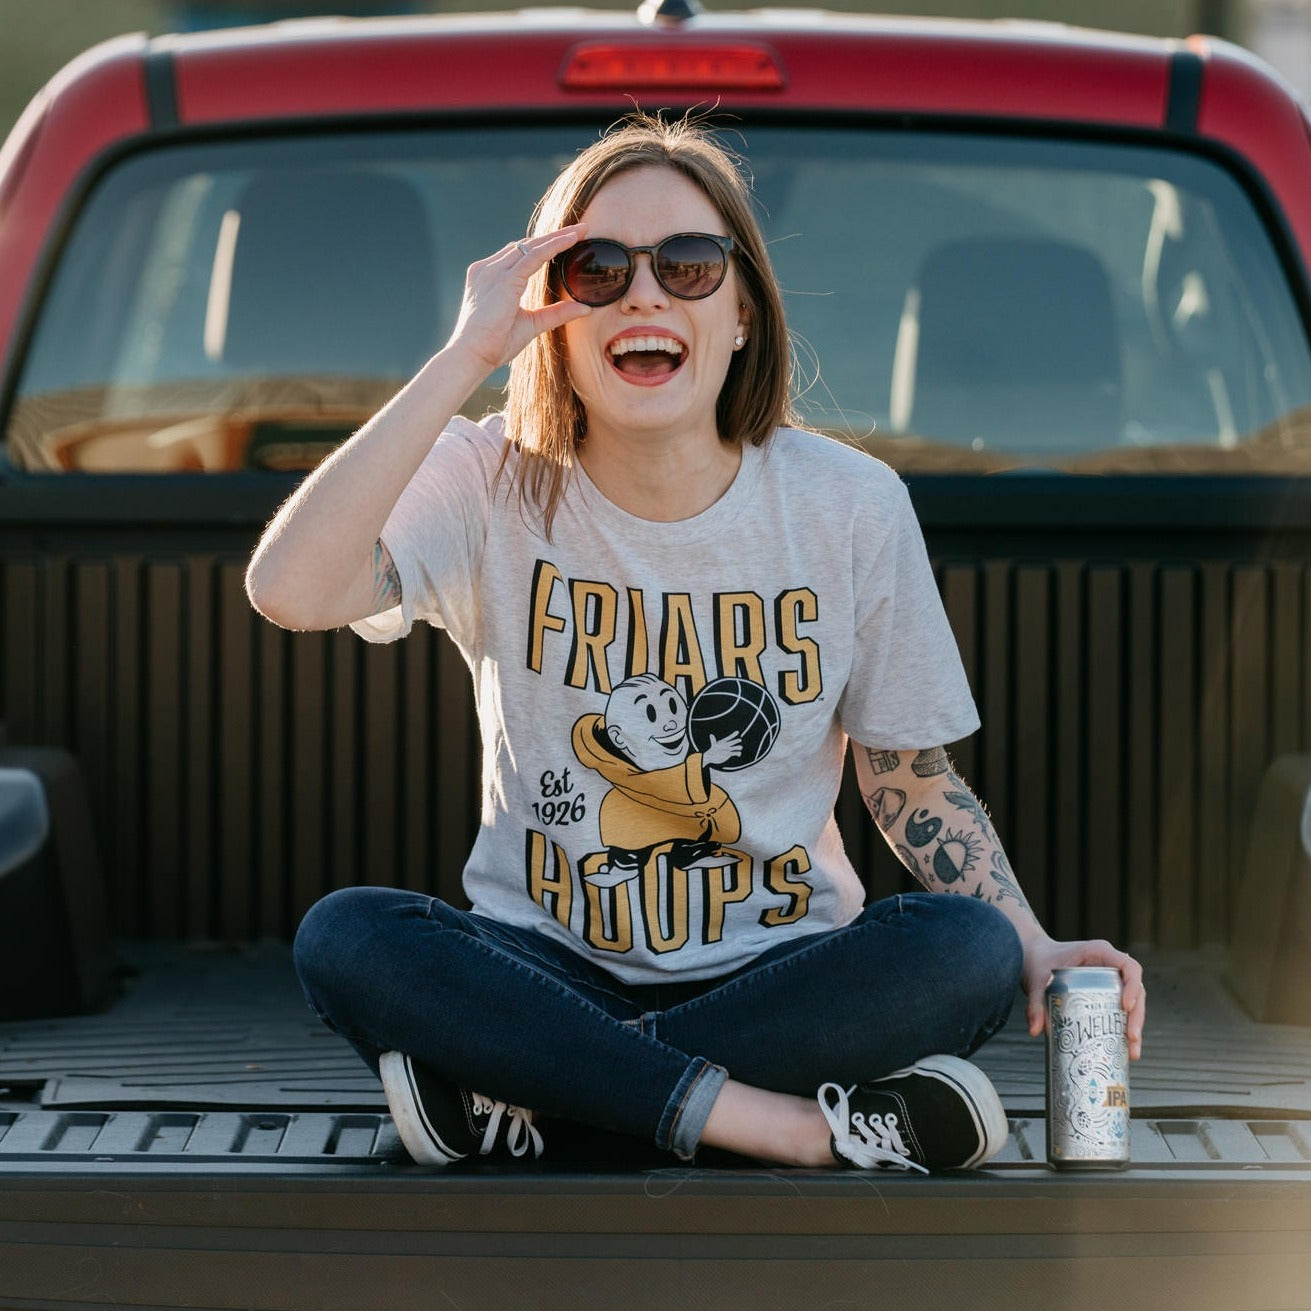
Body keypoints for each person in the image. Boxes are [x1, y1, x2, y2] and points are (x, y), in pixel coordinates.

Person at [246, 112, 1145, 1173]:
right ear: (552, 320)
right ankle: (779, 1125)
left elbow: (907, 777)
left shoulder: (849, 505)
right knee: (349, 936)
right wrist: (466, 354)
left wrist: (1031, 942)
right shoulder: (487, 478)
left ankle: (536, 1099)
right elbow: (287, 589)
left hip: (780, 973)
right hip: (542, 969)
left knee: (967, 952)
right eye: (597, 269)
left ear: (744, 314)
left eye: (687, 264)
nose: (644, 293)